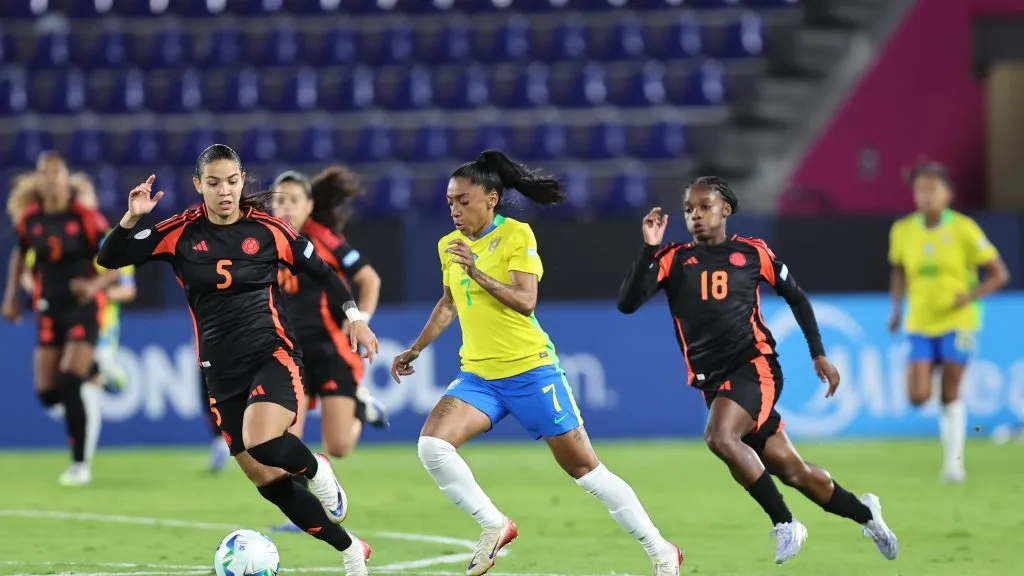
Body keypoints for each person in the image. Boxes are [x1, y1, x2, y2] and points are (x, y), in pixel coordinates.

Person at [391, 150, 682, 576]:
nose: (454, 209)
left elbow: (526, 301)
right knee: (432, 446)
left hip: (530, 369)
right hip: (480, 375)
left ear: (491, 199)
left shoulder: (516, 235)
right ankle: (494, 524)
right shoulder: (447, 247)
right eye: (450, 200)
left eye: (463, 200)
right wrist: (416, 348)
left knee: (585, 470)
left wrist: (477, 273)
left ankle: (660, 551)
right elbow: (448, 303)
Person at [96, 144, 379, 576]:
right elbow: (109, 257)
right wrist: (132, 216)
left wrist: (355, 318)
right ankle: (351, 549)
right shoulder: (180, 231)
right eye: (213, 183)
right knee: (267, 480)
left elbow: (324, 271)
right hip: (219, 370)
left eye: (231, 181)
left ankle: (318, 468)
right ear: (199, 186)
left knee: (264, 439)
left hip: (272, 352)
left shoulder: (269, 229)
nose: (224, 191)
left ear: (242, 181)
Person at [616, 176, 898, 565]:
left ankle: (785, 523)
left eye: (705, 207)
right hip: (714, 381)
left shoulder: (753, 253)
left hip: (755, 366)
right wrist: (648, 248)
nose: (696, 215)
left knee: (719, 436)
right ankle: (868, 515)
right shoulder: (673, 259)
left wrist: (818, 353)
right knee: (794, 472)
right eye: (689, 209)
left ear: (725, 210)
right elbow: (628, 303)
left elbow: (796, 298)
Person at [268, 167, 389, 533]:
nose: (286, 207)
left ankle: (361, 407)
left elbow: (369, 278)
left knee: (337, 447)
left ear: (309, 206)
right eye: (279, 200)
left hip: (331, 350)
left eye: (294, 200)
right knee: (284, 438)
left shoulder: (324, 239)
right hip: (291, 354)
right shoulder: (263, 239)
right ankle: (306, 513)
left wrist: (359, 319)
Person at [887, 163, 1010, 483]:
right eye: (920, 190)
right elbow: (898, 271)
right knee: (918, 396)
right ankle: (925, 370)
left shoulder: (964, 229)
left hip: (960, 320)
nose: (926, 196)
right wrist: (897, 309)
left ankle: (954, 465)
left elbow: (1000, 274)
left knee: (951, 389)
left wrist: (970, 297)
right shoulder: (902, 230)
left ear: (948, 194)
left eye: (933, 189)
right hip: (920, 320)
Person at [2, 154, 119, 486]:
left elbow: (116, 258)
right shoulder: (30, 219)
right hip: (48, 308)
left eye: (56, 173)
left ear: (66, 179)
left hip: (83, 308)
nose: (51, 179)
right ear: (38, 180)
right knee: (47, 393)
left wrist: (94, 284)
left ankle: (80, 464)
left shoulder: (85, 218)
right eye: (45, 174)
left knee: (69, 379)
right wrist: (11, 295)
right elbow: (19, 255)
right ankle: (95, 371)